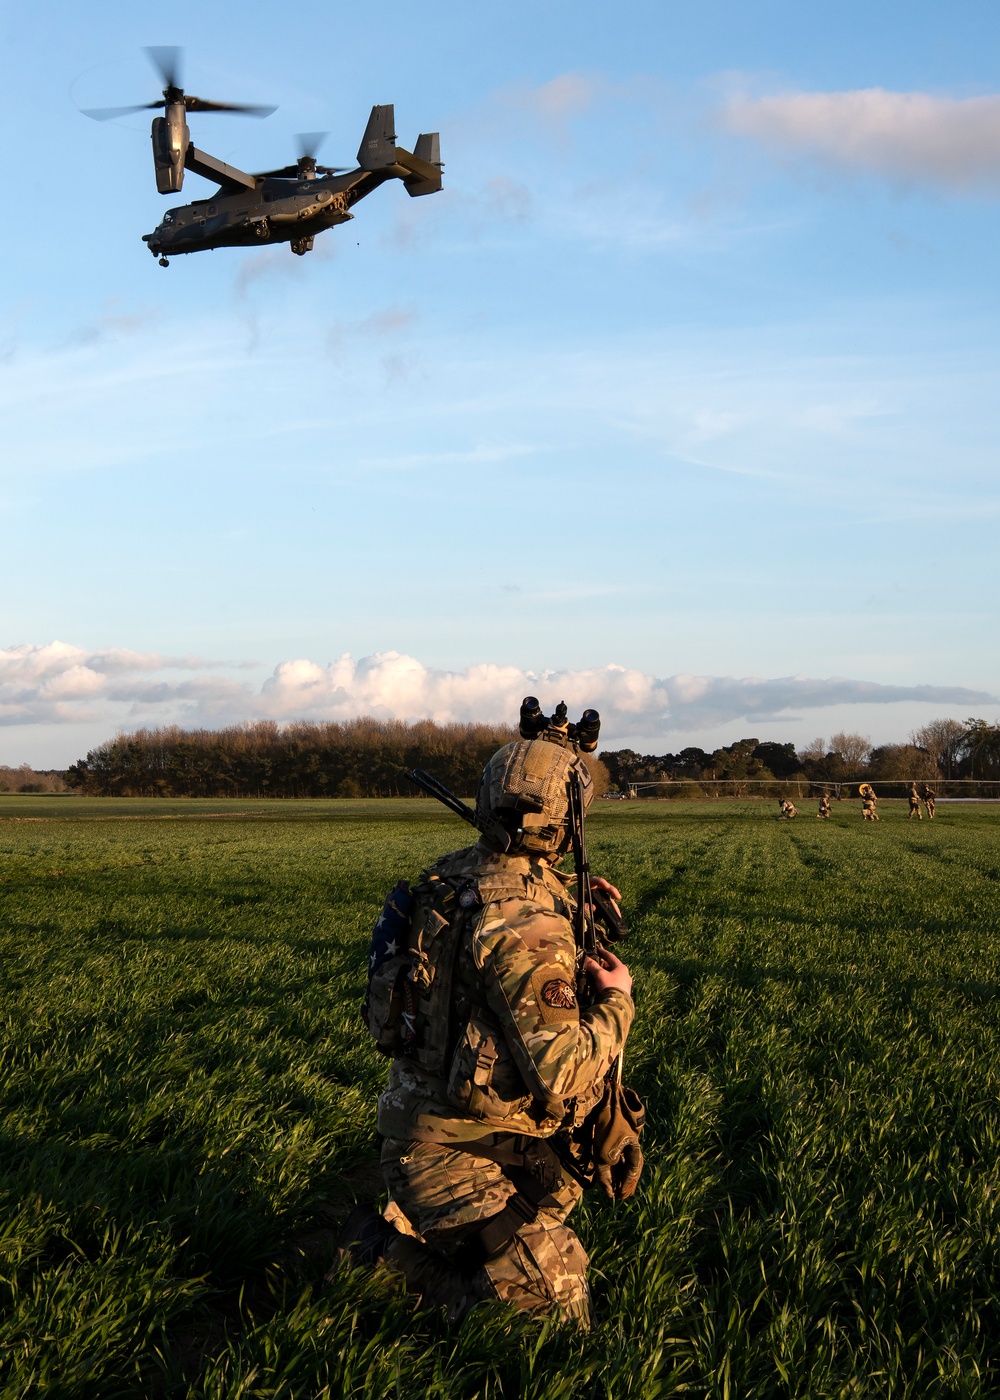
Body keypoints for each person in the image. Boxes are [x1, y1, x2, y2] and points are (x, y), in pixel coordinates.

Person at [343, 710, 638, 1327]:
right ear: (565, 821)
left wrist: (569, 899)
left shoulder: (448, 877)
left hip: (458, 1125)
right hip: (448, 1148)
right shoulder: (523, 923)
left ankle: (456, 1241)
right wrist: (618, 1000)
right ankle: (379, 1261)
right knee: (552, 1310)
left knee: (561, 1194)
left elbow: (497, 908)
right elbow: (560, 1074)